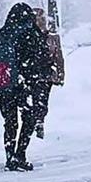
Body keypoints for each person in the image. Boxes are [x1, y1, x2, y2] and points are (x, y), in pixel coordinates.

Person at [0, 3, 43, 171]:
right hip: (23, 83)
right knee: (29, 117)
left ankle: (10, 156)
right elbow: (35, 57)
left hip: (3, 84)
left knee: (10, 121)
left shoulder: (5, 31)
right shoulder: (29, 31)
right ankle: (21, 154)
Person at [31, 8, 65, 139]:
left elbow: (59, 57)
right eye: (39, 19)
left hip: (46, 74)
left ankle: (39, 121)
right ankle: (36, 121)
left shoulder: (52, 38)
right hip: (32, 73)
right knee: (35, 99)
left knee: (42, 99)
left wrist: (60, 75)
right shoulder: (29, 37)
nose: (42, 21)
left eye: (43, 18)